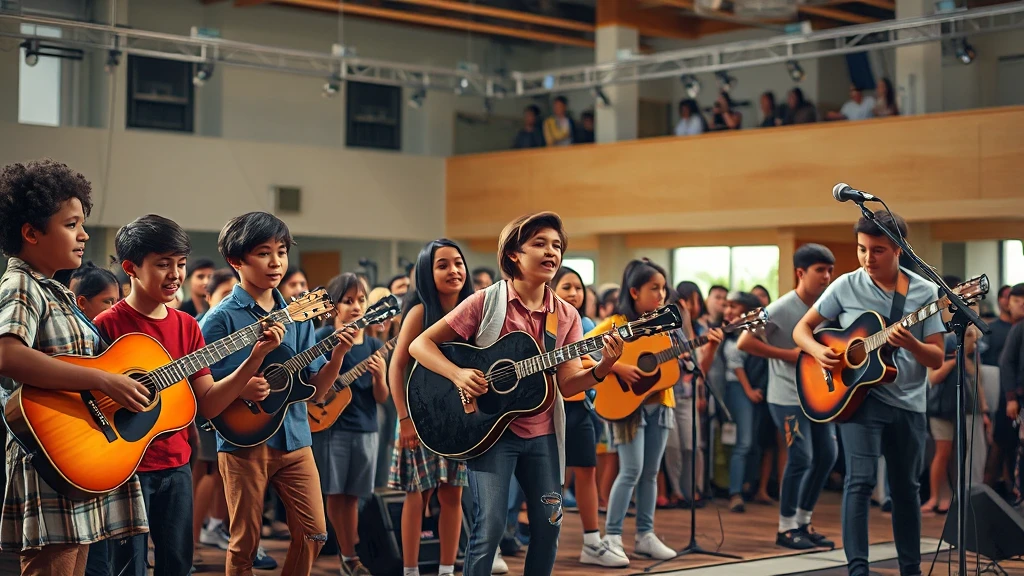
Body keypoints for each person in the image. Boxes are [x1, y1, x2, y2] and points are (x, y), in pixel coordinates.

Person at [408, 212, 625, 576]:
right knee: (489, 527)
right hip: (489, 430)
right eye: (539, 244)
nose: (550, 252)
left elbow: (569, 383)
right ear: (513, 254)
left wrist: (602, 368)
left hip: (542, 434)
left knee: (549, 525)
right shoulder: (485, 302)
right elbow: (420, 344)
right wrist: (459, 374)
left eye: (556, 245)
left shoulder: (566, 315)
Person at [94, 214, 286, 576]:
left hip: (177, 462)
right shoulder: (108, 325)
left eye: (180, 264)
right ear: (131, 268)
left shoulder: (186, 326)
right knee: (127, 567)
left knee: (178, 565)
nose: (175, 275)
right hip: (124, 467)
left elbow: (209, 403)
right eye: (163, 265)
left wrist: (254, 359)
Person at [0, 159, 149, 576]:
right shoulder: (22, 285)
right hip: (49, 452)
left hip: (77, 450)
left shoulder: (56, 290)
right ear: (30, 233)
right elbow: (8, 355)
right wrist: (104, 379)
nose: (84, 235)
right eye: (71, 224)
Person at [199, 211, 356, 576]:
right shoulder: (219, 320)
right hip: (243, 442)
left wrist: (338, 355)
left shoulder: (299, 315)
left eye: (282, 251)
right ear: (236, 260)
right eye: (264, 252)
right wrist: (243, 386)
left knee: (315, 532)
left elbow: (316, 392)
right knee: (245, 545)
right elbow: (205, 395)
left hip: (296, 437)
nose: (276, 262)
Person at [794, 210, 945, 576]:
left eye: (877, 250)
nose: (866, 258)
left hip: (908, 402)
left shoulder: (925, 292)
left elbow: (937, 358)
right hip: (857, 400)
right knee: (858, 482)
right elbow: (803, 329)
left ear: (897, 249)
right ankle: (857, 570)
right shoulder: (846, 284)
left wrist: (910, 343)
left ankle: (911, 569)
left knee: (906, 489)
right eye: (862, 249)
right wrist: (819, 353)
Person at [597, 259, 720, 564]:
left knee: (650, 473)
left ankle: (645, 535)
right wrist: (620, 367)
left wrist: (711, 346)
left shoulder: (667, 327)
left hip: (660, 404)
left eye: (664, 288)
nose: (662, 294)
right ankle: (611, 536)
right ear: (635, 291)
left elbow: (693, 367)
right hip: (627, 407)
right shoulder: (614, 324)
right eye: (655, 288)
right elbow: (581, 358)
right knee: (631, 471)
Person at [738, 244, 837, 549]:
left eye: (829, 270)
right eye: (820, 270)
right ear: (800, 273)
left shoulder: (826, 305)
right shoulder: (780, 307)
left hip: (819, 395)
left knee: (828, 456)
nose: (827, 276)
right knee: (801, 456)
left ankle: (803, 523)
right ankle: (785, 528)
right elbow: (744, 342)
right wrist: (788, 355)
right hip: (786, 397)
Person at [389, 239, 474, 576]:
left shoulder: (474, 309)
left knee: (452, 496)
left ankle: (445, 570)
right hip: (419, 418)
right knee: (416, 495)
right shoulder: (420, 312)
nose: (454, 270)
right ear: (427, 272)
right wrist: (404, 420)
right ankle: (410, 570)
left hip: (459, 419)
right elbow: (396, 367)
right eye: (443, 265)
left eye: (458, 263)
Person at [312, 273, 389, 576]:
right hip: (332, 427)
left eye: (361, 300)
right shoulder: (320, 339)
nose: (356, 307)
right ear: (334, 306)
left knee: (355, 495)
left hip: (366, 427)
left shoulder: (373, 344)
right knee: (335, 493)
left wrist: (380, 376)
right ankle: (348, 553)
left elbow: (381, 398)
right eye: (348, 301)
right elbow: (313, 388)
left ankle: (350, 551)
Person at [550, 266, 624, 566]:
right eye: (566, 287)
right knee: (540, 478)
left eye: (578, 287)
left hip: (579, 406)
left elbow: (588, 364)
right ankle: (509, 537)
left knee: (587, 470)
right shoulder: (545, 320)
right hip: (544, 406)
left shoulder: (587, 324)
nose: (574, 293)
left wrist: (602, 361)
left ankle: (592, 542)